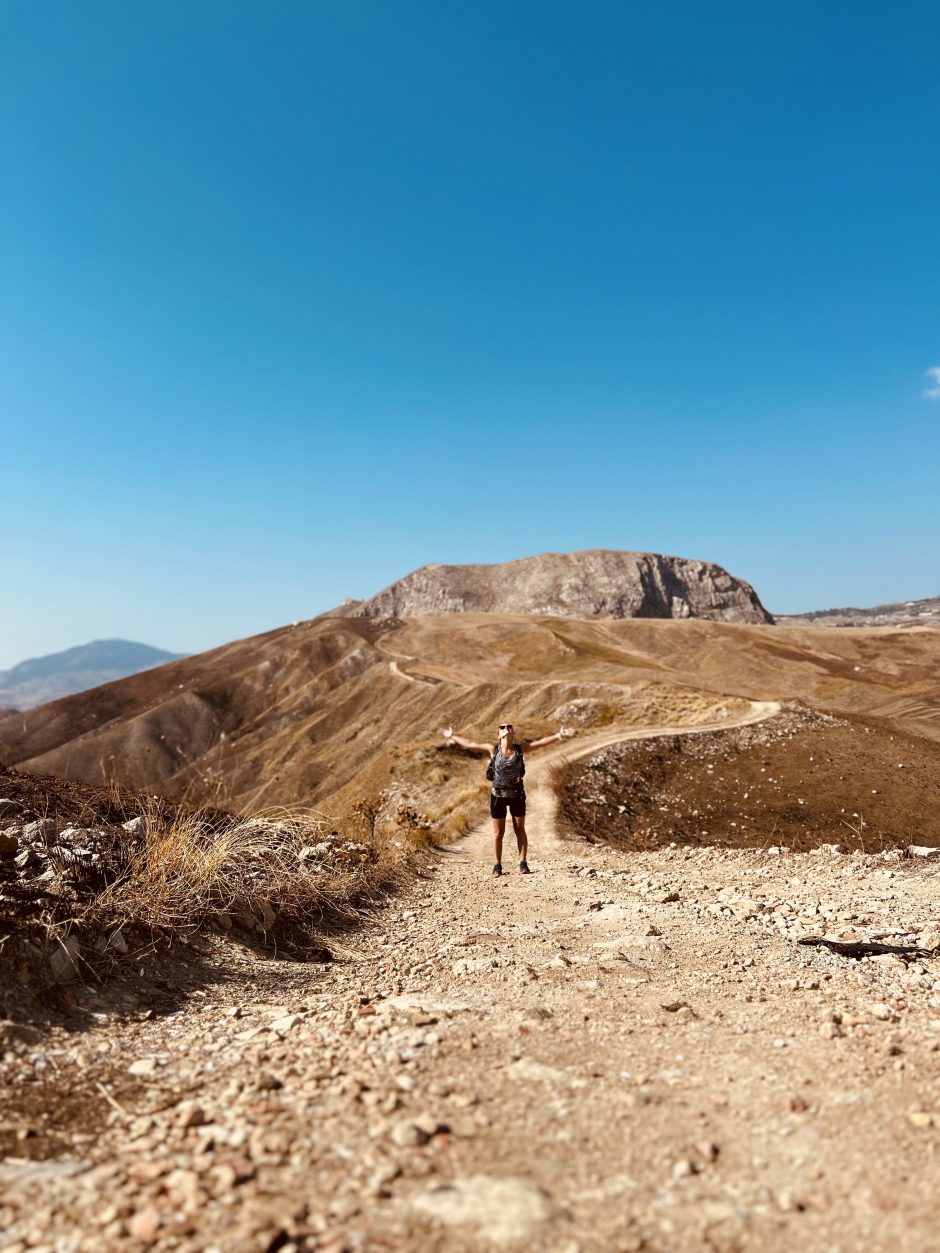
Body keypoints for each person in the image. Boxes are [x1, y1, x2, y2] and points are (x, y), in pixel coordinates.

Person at [439, 721, 576, 876]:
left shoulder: (520, 749)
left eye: (509, 727)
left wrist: (560, 735)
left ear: (513, 733)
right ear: (499, 734)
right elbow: (470, 744)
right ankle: (497, 866)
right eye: (502, 727)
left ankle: (523, 863)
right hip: (498, 797)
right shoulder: (492, 749)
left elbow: (541, 743)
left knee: (520, 830)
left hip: (517, 795)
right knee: (498, 833)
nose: (506, 728)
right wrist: (452, 736)